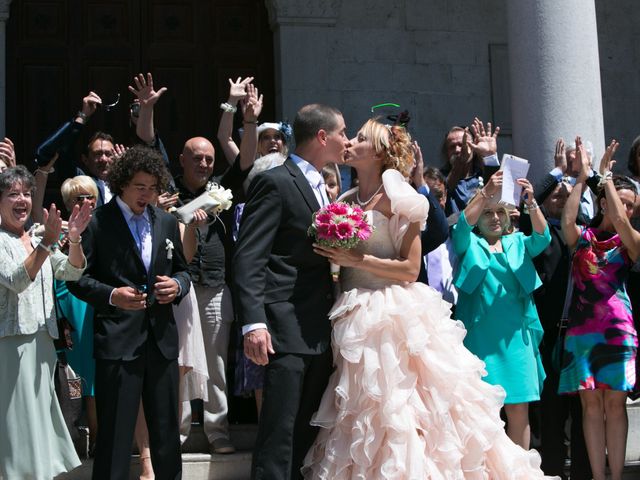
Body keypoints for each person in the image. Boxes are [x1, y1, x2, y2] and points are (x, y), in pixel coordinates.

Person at [302, 118, 555, 478]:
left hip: (392, 313)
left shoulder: (399, 197)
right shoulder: (344, 200)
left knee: (403, 408)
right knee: (364, 413)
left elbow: (409, 268)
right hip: (352, 313)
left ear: (377, 152)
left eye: (359, 138)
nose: (350, 143)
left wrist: (360, 260)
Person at [233, 103, 350, 479]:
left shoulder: (324, 186)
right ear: (321, 137)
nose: (346, 140)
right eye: (342, 133)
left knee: (306, 431)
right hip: (283, 325)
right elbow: (249, 256)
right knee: (279, 431)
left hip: (317, 325)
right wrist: (253, 322)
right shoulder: (275, 181)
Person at [67, 145, 191, 480]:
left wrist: (177, 286)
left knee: (167, 432)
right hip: (118, 342)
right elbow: (76, 280)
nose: (147, 194)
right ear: (122, 183)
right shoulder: (98, 223)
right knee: (116, 435)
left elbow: (183, 271)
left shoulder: (165, 222)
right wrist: (111, 296)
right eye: (140, 186)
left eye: (152, 187)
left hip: (161, 341)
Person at [0, 165, 92, 478]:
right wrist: (45, 242)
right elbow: (15, 279)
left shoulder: (37, 237)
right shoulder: (1, 240)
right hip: (13, 345)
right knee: (17, 424)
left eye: (26, 193)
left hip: (43, 343)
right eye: (12, 194)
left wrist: (75, 239)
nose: (22, 199)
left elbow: (71, 270)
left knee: (38, 421)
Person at [558, 137, 639, 480]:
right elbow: (566, 221)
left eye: (631, 205)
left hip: (618, 331)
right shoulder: (583, 237)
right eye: (620, 203)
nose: (625, 210)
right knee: (590, 406)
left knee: (615, 405)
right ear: (604, 202)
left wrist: (605, 178)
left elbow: (621, 223)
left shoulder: (631, 238)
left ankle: (617, 476)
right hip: (581, 333)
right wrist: (583, 177)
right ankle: (598, 475)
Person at [452, 169, 551, 448]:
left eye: (500, 212)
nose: (495, 218)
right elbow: (461, 227)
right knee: (483, 413)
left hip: (517, 341)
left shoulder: (517, 241)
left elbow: (543, 238)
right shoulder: (469, 242)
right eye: (487, 213)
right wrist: (484, 195)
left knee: (519, 410)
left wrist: (531, 202)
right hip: (480, 340)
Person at [55, 175, 101, 454]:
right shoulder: (58, 232)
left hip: (95, 306)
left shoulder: (105, 227)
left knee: (93, 378)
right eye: (77, 198)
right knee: (73, 378)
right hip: (68, 307)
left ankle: (97, 437)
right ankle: (71, 441)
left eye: (89, 196)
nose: (84, 202)